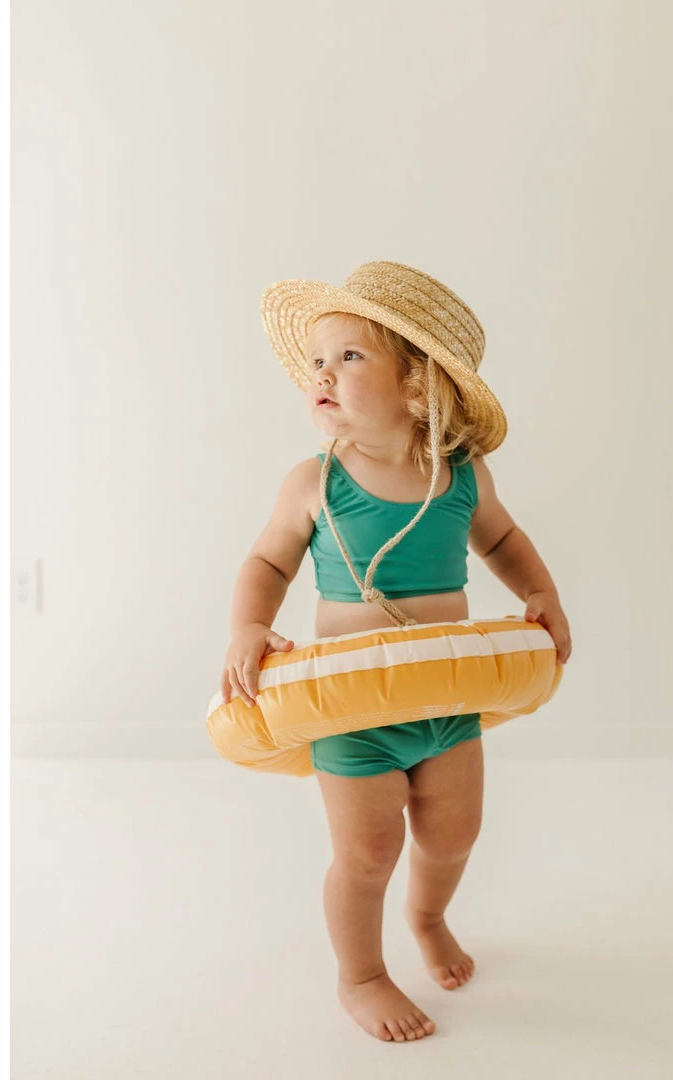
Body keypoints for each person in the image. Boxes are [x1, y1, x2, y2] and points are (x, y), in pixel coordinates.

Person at [219, 261, 572, 1043]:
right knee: (368, 851)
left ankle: (429, 916)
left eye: (349, 356)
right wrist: (248, 627)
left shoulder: (461, 474)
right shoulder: (313, 483)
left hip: (445, 697)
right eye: (317, 360)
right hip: (354, 711)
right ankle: (362, 975)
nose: (321, 373)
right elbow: (268, 562)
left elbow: (503, 540)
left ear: (417, 385)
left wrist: (539, 592)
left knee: (453, 834)